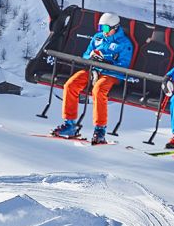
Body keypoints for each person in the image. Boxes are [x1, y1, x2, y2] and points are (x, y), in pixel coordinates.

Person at [52, 12, 134, 145]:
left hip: (111, 74)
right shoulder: (97, 38)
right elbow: (85, 54)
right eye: (101, 28)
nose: (103, 32)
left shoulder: (124, 43)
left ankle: (100, 130)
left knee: (99, 91)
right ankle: (70, 125)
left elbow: (124, 64)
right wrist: (91, 57)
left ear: (115, 27)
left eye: (106, 29)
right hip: (93, 69)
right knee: (70, 85)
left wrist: (106, 62)